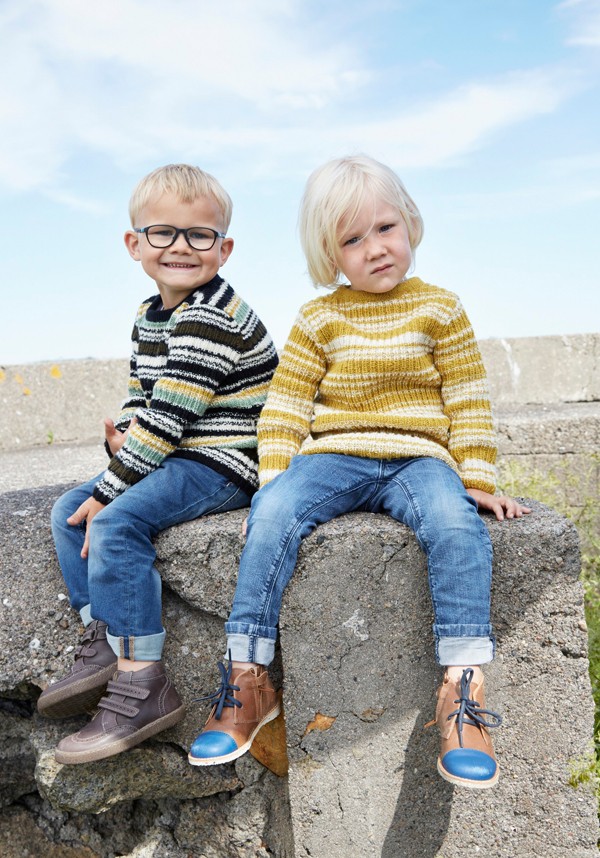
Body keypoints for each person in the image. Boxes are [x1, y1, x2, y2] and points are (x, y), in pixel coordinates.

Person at [188, 154, 531, 789]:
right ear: (330, 255)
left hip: (419, 458)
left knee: (455, 523)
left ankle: (462, 690)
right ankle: (248, 676)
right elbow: (287, 405)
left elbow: (467, 399)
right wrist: (274, 481)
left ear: (410, 224)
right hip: (335, 455)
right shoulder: (319, 319)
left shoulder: (440, 309)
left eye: (385, 228)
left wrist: (477, 479)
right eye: (352, 239)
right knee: (273, 514)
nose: (375, 248)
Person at [37, 164, 279, 765]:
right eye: (163, 232)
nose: (180, 247)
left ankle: (142, 681)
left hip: (224, 460)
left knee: (114, 520)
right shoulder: (151, 314)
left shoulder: (211, 316)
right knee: (68, 510)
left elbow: (170, 419)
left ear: (223, 249)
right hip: (174, 452)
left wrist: (113, 487)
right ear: (135, 243)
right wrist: (121, 440)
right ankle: (105, 637)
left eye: (199, 235)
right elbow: (144, 399)